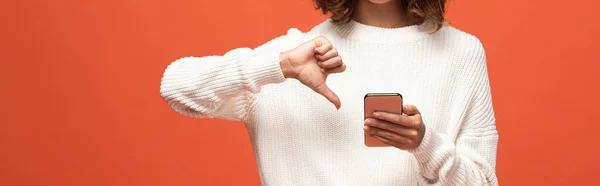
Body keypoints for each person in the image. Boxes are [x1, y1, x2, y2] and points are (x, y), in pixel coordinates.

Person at [159, 0, 498, 185]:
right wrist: (278, 66)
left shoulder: (462, 54)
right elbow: (175, 86)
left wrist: (427, 145)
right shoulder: (297, 54)